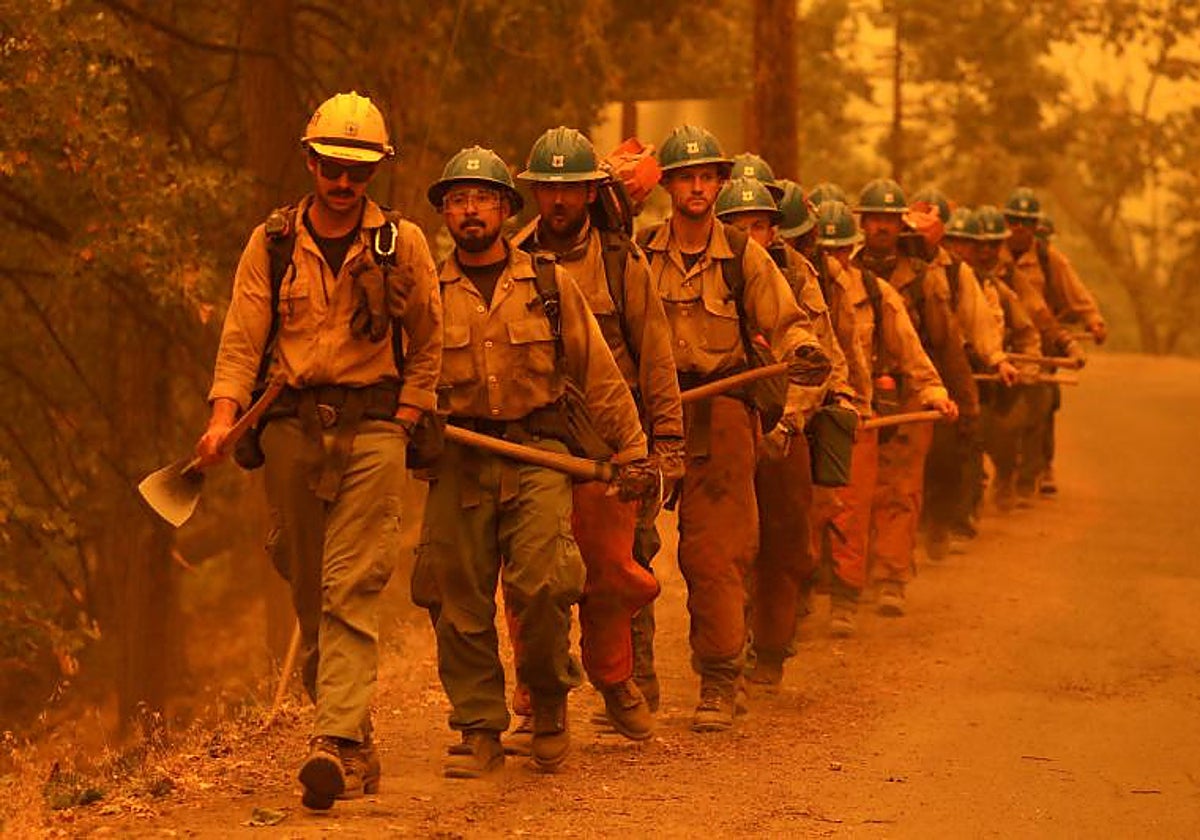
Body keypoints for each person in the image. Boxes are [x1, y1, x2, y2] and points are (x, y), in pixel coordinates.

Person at [197, 92, 443, 810]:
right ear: (310, 161)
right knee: (308, 590)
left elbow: (429, 342)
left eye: (358, 172)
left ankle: (330, 741)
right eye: (332, 168)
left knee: (352, 583)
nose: (343, 183)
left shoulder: (405, 243)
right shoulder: (271, 243)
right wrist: (222, 419)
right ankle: (356, 738)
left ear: (375, 172)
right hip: (288, 430)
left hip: (373, 430)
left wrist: (404, 415)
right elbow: (241, 341)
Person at [411, 145, 651, 778]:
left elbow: (599, 374)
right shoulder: (426, 294)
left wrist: (632, 452)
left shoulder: (547, 283)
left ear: (505, 209)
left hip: (540, 454)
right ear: (444, 213)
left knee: (545, 585)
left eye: (483, 199)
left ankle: (547, 704)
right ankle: (480, 727)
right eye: (458, 200)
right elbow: (401, 376)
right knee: (458, 599)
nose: (470, 211)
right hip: (460, 457)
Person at [638, 125, 831, 730]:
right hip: (648, 408)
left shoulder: (745, 256)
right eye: (685, 177)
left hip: (721, 409)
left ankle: (720, 680)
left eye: (707, 177)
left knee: (712, 552)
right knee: (624, 547)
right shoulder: (639, 253)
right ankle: (632, 681)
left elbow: (789, 319)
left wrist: (802, 350)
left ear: (719, 185)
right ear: (667, 185)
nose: (697, 187)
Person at [502, 126, 684, 740]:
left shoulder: (620, 262)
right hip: (536, 439)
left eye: (570, 190)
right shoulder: (514, 260)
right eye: (547, 190)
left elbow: (654, 357)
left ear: (589, 193)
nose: (557, 202)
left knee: (613, 572)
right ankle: (536, 696)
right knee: (532, 575)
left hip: (611, 440)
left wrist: (664, 448)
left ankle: (617, 680)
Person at [715, 175, 855, 680]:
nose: (750, 236)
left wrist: (786, 423)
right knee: (720, 547)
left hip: (783, 428)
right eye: (737, 226)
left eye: (760, 226)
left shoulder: (797, 278)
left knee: (786, 540)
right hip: (724, 422)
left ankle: (771, 649)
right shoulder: (705, 270)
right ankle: (724, 653)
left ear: (775, 231)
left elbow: (816, 359)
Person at [808, 200, 953, 636]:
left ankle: (846, 601)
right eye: (824, 249)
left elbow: (912, 350)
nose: (831, 258)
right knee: (806, 513)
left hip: (857, 419)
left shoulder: (875, 294)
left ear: (850, 248)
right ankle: (797, 596)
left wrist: (934, 390)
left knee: (853, 510)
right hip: (805, 417)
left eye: (838, 250)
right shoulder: (798, 290)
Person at [852, 178, 974, 616]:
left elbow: (947, 345)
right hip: (860, 394)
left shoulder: (925, 281)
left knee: (900, 490)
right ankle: (853, 576)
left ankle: (891, 577)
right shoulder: (845, 272)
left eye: (889, 219)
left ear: (900, 224)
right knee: (856, 487)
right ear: (862, 223)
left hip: (908, 396)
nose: (881, 227)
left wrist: (964, 403)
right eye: (874, 218)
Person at [910, 189, 1016, 554]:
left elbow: (978, 320)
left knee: (949, 446)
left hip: (944, 364)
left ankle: (943, 519)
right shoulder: (883, 263)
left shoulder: (957, 272)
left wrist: (997, 358)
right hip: (898, 367)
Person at [1000, 187, 1103, 494]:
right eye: (1013, 220)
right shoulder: (991, 253)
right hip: (999, 345)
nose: (1018, 227)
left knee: (1041, 408)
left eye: (1025, 221)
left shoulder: (1050, 260)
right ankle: (1002, 473)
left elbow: (1077, 293)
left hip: (1040, 346)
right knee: (998, 412)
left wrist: (1093, 321)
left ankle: (1037, 468)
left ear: (1034, 226)